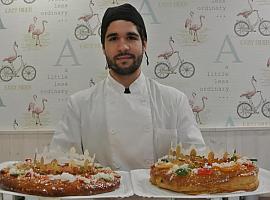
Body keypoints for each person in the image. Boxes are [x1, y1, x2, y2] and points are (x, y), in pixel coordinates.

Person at [50, 3, 205, 171]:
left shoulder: (174, 100)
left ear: (144, 44)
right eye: (113, 38)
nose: (123, 47)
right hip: (102, 196)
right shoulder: (79, 105)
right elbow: (60, 163)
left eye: (131, 37)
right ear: (103, 48)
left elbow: (197, 160)